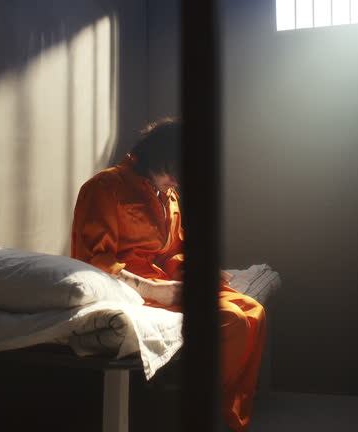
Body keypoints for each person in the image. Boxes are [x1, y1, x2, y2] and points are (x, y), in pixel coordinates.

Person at [70, 118, 266, 432]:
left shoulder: (167, 195)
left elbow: (172, 249)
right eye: (172, 172)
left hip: (165, 279)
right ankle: (211, 413)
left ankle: (229, 409)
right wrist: (153, 290)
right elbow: (94, 260)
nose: (175, 182)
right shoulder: (104, 187)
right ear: (156, 155)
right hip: (134, 288)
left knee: (254, 310)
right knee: (230, 318)